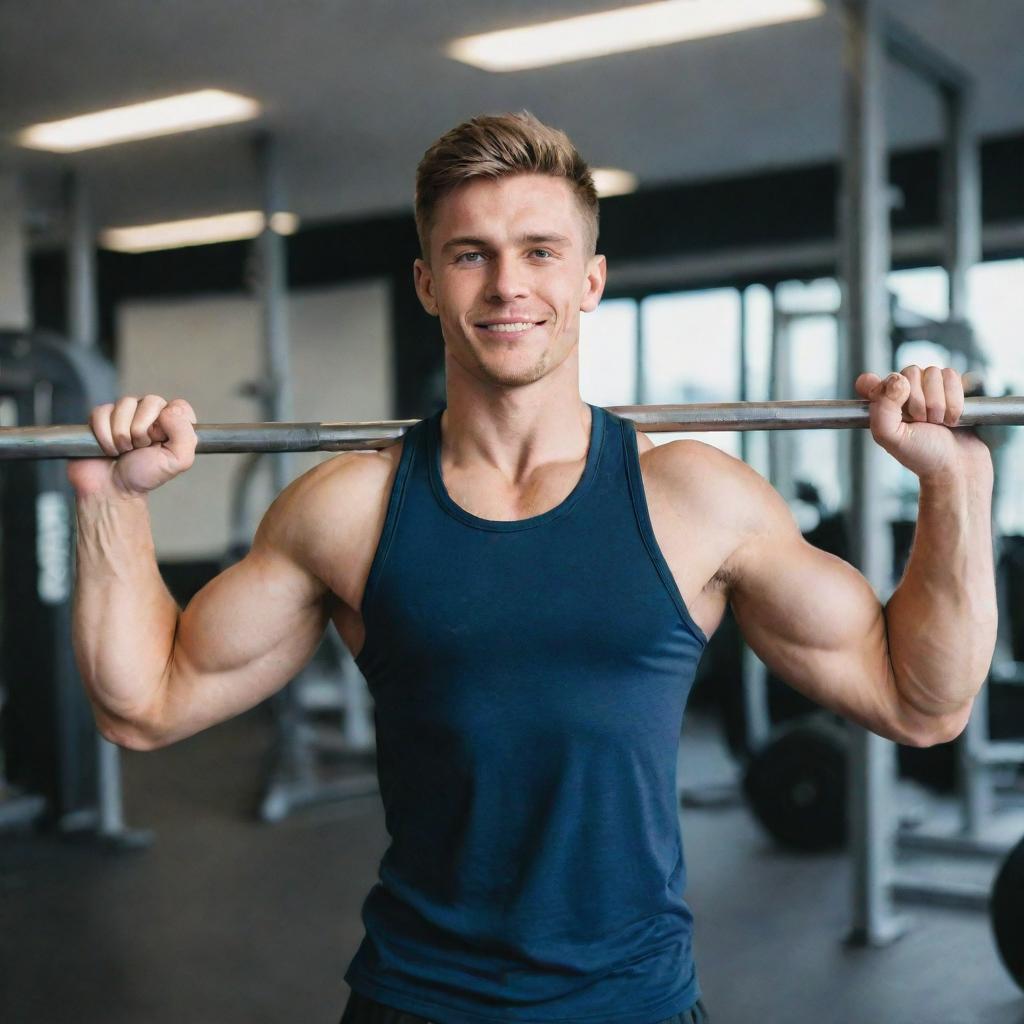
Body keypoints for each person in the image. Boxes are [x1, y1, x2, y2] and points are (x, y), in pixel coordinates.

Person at [70, 112, 997, 1024]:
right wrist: (114, 501)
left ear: (590, 279)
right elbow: (145, 703)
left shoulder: (696, 501)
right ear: (428, 284)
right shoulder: (348, 510)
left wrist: (956, 483)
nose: (508, 284)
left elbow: (922, 702)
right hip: (416, 1002)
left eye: (541, 251)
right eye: (472, 254)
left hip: (633, 1005)